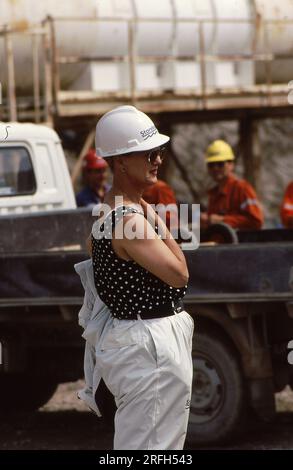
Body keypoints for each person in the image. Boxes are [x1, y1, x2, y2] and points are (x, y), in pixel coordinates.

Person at [86, 105, 194, 450]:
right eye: (147, 154)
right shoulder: (131, 221)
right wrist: (153, 216)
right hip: (149, 344)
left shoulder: (106, 209)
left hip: (136, 339)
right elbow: (180, 274)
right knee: (151, 447)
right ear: (120, 162)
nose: (157, 160)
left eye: (157, 152)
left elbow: (90, 248)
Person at [200, 139, 264, 230]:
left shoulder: (242, 189)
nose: (215, 168)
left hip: (240, 243)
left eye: (220, 164)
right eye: (211, 165)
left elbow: (256, 221)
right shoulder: (214, 194)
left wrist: (222, 220)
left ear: (231, 164)